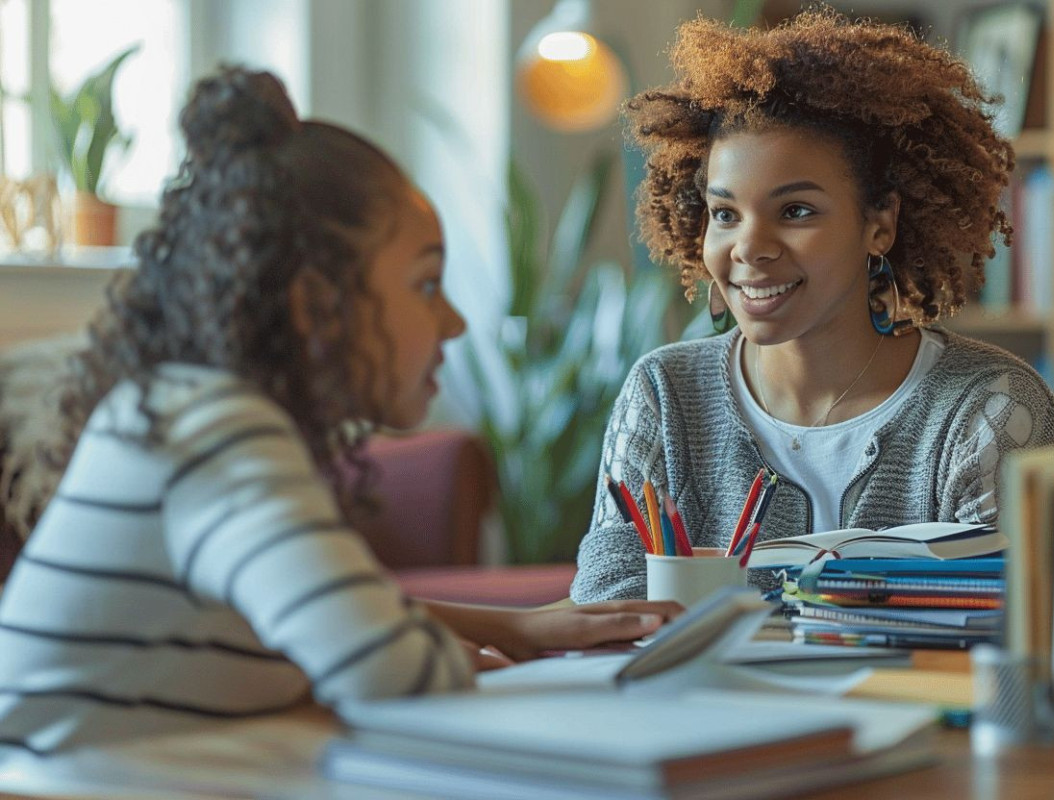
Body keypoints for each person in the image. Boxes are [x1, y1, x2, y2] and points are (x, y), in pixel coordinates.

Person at [0, 67, 680, 753]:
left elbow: (319, 607)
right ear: (313, 303)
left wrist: (515, 627)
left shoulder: (183, 409)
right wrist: (441, 655)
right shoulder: (216, 433)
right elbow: (396, 672)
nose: (452, 323)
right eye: (425, 283)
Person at [571, 10, 1054, 603]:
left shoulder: (989, 409)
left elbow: (1015, 625)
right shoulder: (663, 394)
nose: (749, 249)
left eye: (796, 211)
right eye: (725, 214)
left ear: (879, 224)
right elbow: (606, 605)